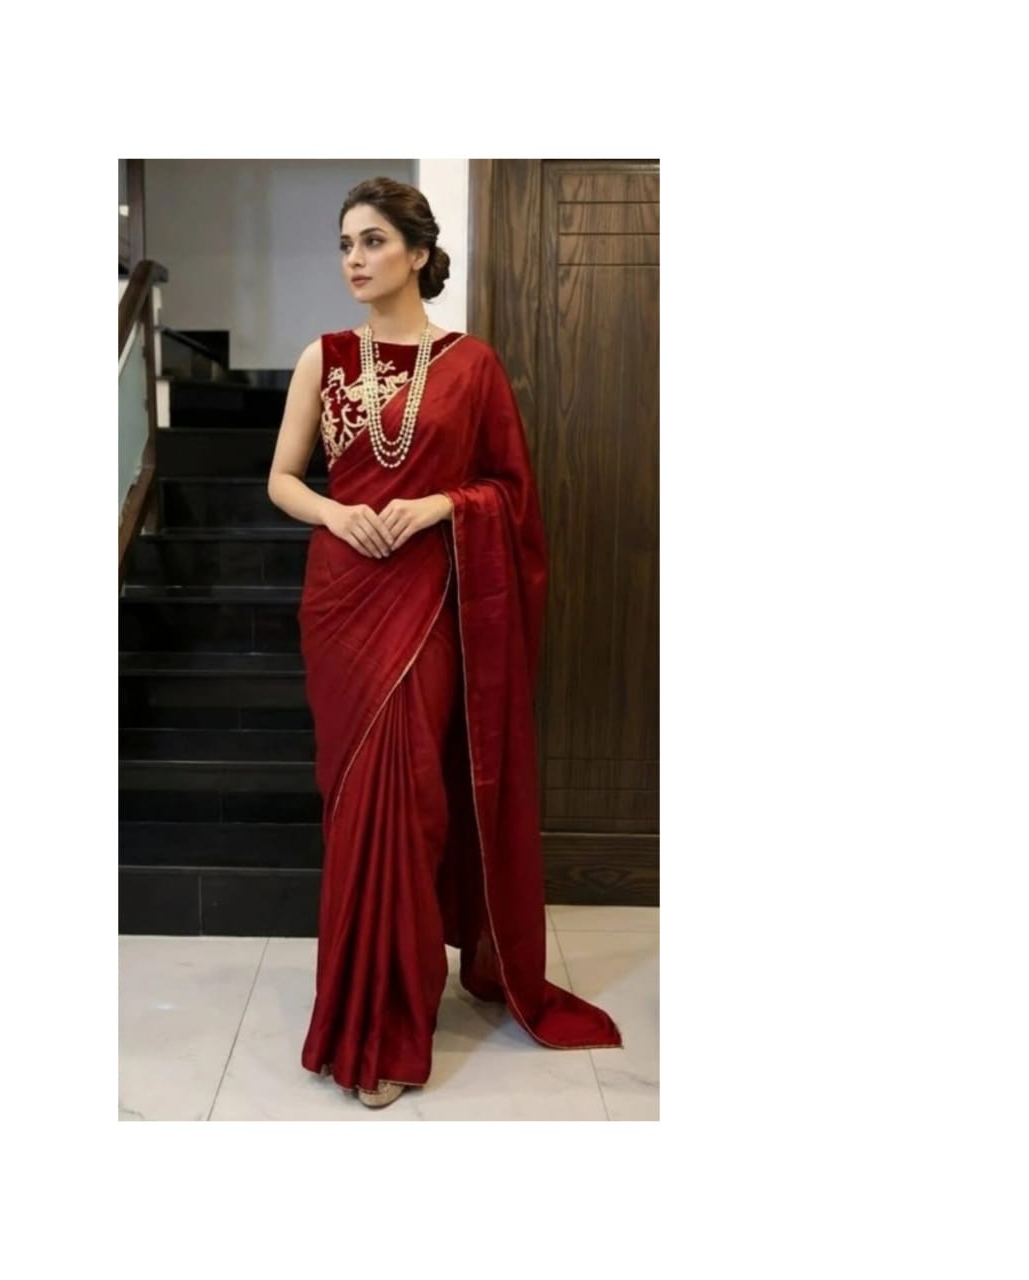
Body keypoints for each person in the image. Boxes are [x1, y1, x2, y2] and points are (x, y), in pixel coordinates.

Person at [266, 177, 622, 1110]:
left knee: (413, 798)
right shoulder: (323, 357)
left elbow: (510, 491)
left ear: (418, 254)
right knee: (357, 806)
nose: (353, 259)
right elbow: (282, 479)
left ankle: (396, 1018)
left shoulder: (472, 366)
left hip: (428, 597)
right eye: (345, 243)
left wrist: (437, 505)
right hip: (343, 600)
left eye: (372, 241)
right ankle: (358, 1010)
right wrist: (338, 516)